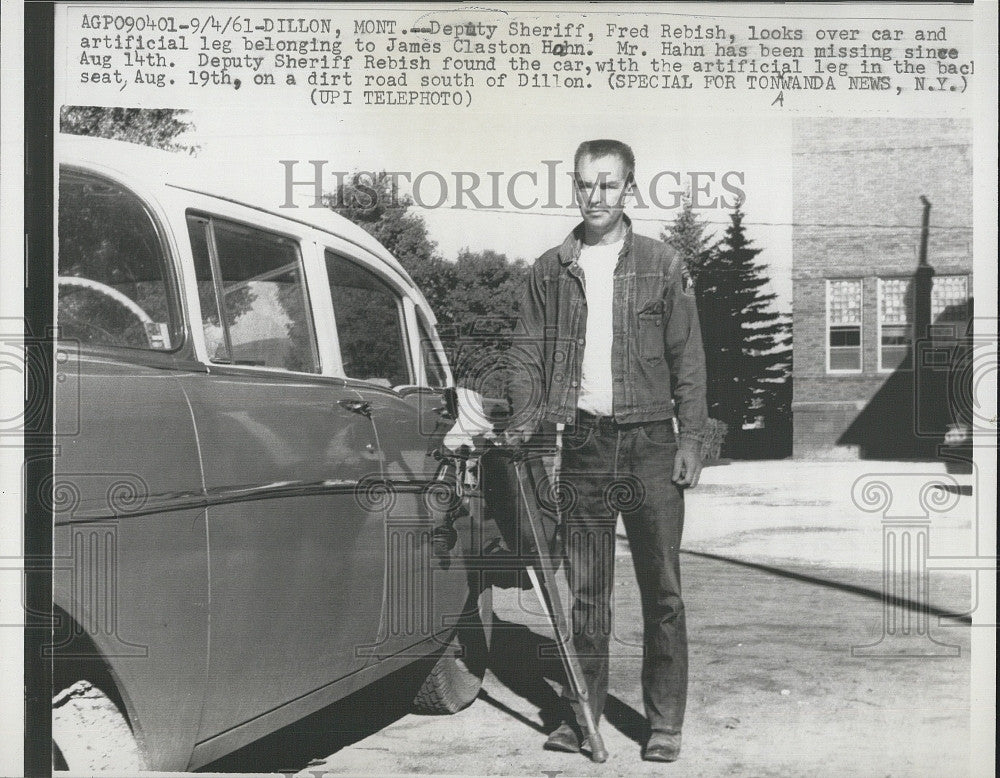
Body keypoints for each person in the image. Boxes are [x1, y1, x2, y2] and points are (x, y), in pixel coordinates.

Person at [505, 139, 708, 763]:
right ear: (574, 186)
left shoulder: (663, 264)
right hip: (585, 446)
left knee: (663, 591)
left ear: (628, 190)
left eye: (608, 185)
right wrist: (522, 427)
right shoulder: (549, 270)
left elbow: (689, 360)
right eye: (585, 185)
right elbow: (527, 356)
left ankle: (664, 723)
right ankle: (582, 714)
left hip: (651, 443)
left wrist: (691, 440)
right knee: (588, 590)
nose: (595, 197)